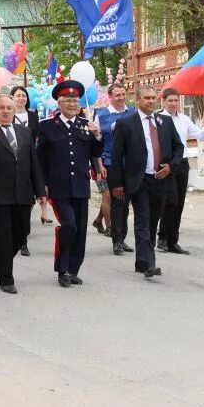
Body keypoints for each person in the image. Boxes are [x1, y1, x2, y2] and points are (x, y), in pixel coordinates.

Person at [0, 94, 45, 294]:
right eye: (1, 108)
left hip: (22, 192)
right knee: (2, 236)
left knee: (22, 233)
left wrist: (40, 189)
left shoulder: (25, 132)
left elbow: (33, 162)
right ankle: (6, 277)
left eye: (9, 108)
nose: (5, 111)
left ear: (14, 110)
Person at [109, 85, 184, 279]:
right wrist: (116, 184)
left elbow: (178, 147)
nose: (151, 101)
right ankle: (150, 263)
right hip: (138, 179)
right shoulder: (126, 123)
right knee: (142, 219)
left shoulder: (165, 121)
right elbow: (116, 157)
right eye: (147, 98)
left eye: (153, 98)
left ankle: (141, 261)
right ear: (138, 100)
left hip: (160, 179)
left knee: (153, 220)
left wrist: (171, 166)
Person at [37, 81, 103, 287]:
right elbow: (40, 159)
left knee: (80, 230)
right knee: (68, 224)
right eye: (68, 101)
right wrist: (42, 186)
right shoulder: (46, 126)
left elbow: (96, 152)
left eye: (75, 101)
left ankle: (74, 269)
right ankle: (62, 268)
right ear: (59, 102)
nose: (72, 104)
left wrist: (97, 135)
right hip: (58, 186)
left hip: (81, 186)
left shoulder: (86, 124)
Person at [157, 88, 204, 255]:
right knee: (170, 201)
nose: (173, 104)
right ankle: (163, 237)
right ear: (163, 102)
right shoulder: (158, 119)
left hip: (182, 163)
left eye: (176, 100)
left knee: (179, 202)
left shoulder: (184, 119)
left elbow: (200, 136)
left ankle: (173, 241)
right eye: (170, 100)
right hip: (166, 164)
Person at [93, 82, 137, 255]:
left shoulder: (133, 112)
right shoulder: (101, 114)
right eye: (117, 95)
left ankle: (122, 237)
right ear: (110, 97)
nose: (121, 98)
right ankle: (116, 240)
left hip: (131, 163)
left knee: (126, 203)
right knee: (117, 200)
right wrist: (99, 164)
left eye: (123, 94)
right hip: (111, 162)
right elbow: (96, 142)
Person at [10, 85, 47, 256]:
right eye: (18, 95)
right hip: (11, 161)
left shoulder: (33, 116)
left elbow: (38, 138)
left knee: (28, 201)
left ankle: (23, 240)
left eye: (23, 96)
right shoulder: (7, 114)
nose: (21, 98)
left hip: (30, 161)